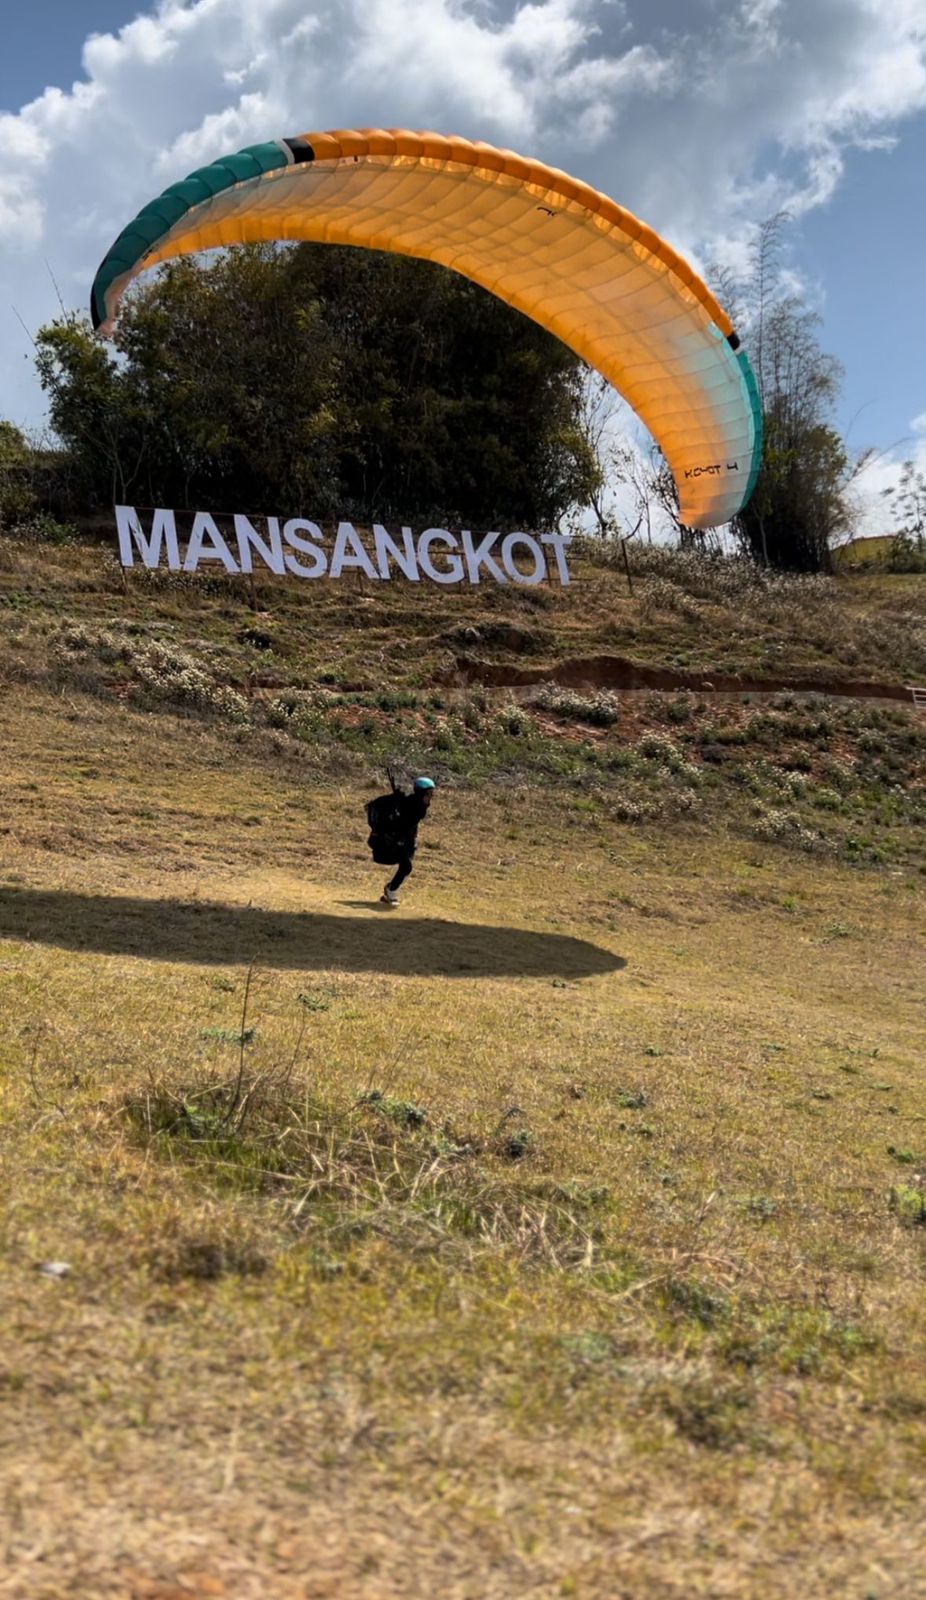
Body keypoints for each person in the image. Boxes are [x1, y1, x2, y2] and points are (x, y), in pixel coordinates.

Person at [366, 776, 435, 906]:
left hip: (405, 841)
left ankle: (391, 889)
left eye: (432, 794)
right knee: (407, 866)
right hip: (391, 842)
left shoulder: (419, 806)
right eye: (428, 794)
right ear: (420, 793)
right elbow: (398, 824)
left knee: (407, 868)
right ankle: (391, 892)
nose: (430, 797)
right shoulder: (409, 805)